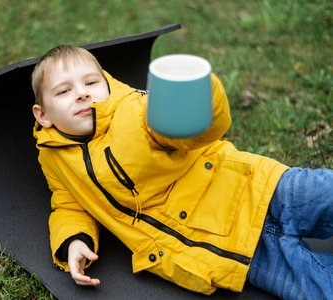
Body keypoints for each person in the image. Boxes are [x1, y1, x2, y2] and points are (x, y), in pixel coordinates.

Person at [31, 45, 333, 298]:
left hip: (259, 188)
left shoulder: (136, 114)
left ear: (107, 84)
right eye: (64, 91)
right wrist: (74, 240)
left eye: (91, 83)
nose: (82, 94)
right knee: (316, 287)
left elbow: (191, 134)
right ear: (43, 115)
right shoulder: (53, 158)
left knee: (324, 193)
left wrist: (199, 96)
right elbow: (68, 203)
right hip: (229, 250)